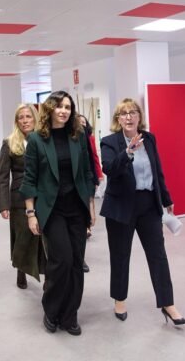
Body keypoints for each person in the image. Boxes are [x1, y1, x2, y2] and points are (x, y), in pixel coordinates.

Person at [100, 98, 185, 326]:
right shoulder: (109, 142)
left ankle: (167, 303)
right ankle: (119, 299)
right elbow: (109, 169)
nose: (129, 117)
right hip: (121, 206)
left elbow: (157, 170)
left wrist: (166, 198)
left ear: (140, 116)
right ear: (118, 119)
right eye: (124, 113)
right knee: (120, 255)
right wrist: (128, 152)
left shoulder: (149, 139)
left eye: (133, 112)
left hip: (148, 203)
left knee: (158, 255)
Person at [20, 91, 95, 336]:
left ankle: (70, 315)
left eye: (68, 107)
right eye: (59, 106)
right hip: (51, 210)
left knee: (76, 263)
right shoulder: (36, 139)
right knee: (61, 260)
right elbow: (29, 178)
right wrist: (31, 213)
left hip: (77, 208)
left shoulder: (78, 136)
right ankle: (51, 310)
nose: (64, 111)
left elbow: (87, 173)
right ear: (50, 109)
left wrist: (91, 207)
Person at [0, 103, 46, 289]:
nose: (25, 121)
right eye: (21, 117)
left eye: (28, 116)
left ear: (35, 118)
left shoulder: (44, 140)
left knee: (42, 237)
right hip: (18, 198)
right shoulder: (9, 143)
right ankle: (21, 270)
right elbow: (3, 176)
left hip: (42, 196)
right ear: (16, 121)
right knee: (22, 237)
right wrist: (4, 204)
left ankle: (46, 274)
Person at [77, 114, 103, 272]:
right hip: (77, 179)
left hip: (89, 175)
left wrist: (97, 174)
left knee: (90, 200)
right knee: (86, 201)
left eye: (83, 122)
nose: (81, 124)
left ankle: (88, 225)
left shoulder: (90, 138)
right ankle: (86, 226)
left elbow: (93, 157)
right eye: (78, 122)